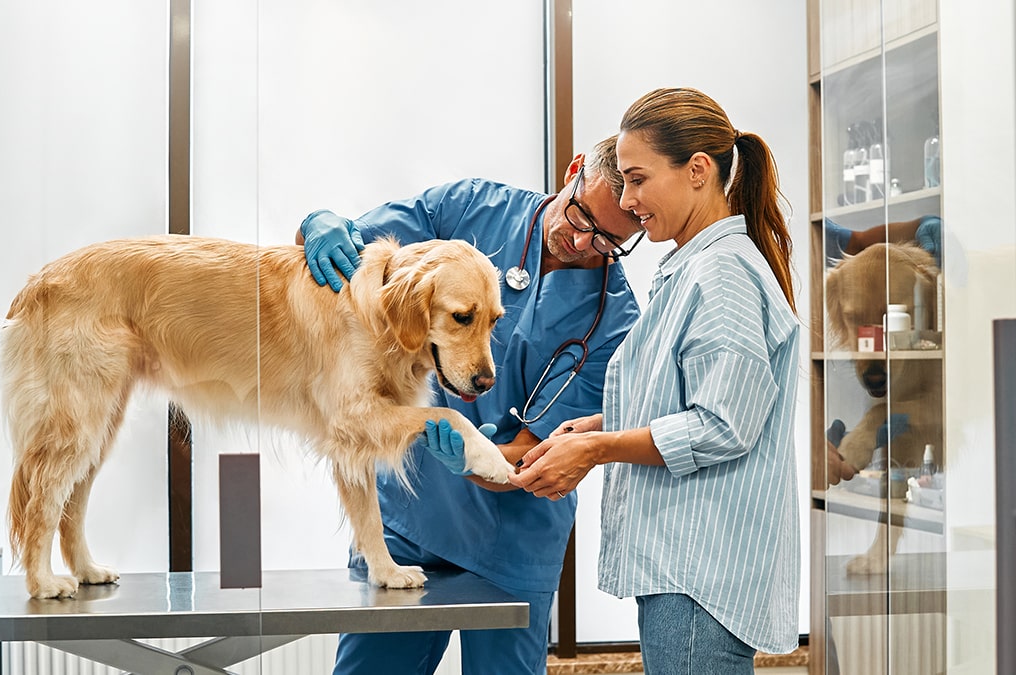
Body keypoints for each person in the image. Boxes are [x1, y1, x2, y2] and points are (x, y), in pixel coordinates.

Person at [295, 136, 644, 675]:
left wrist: (474, 456)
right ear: (574, 170)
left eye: (608, 241)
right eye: (580, 216)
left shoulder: (614, 321)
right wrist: (318, 222)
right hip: (409, 517)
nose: (580, 242)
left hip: (514, 539)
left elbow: (532, 455)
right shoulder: (469, 209)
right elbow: (355, 260)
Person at [508, 87, 801, 674]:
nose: (628, 199)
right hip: (684, 566)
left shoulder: (723, 275)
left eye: (638, 179)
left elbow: (722, 425)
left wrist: (597, 448)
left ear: (697, 171)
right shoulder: (692, 268)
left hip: (701, 571)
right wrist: (599, 424)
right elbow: (686, 400)